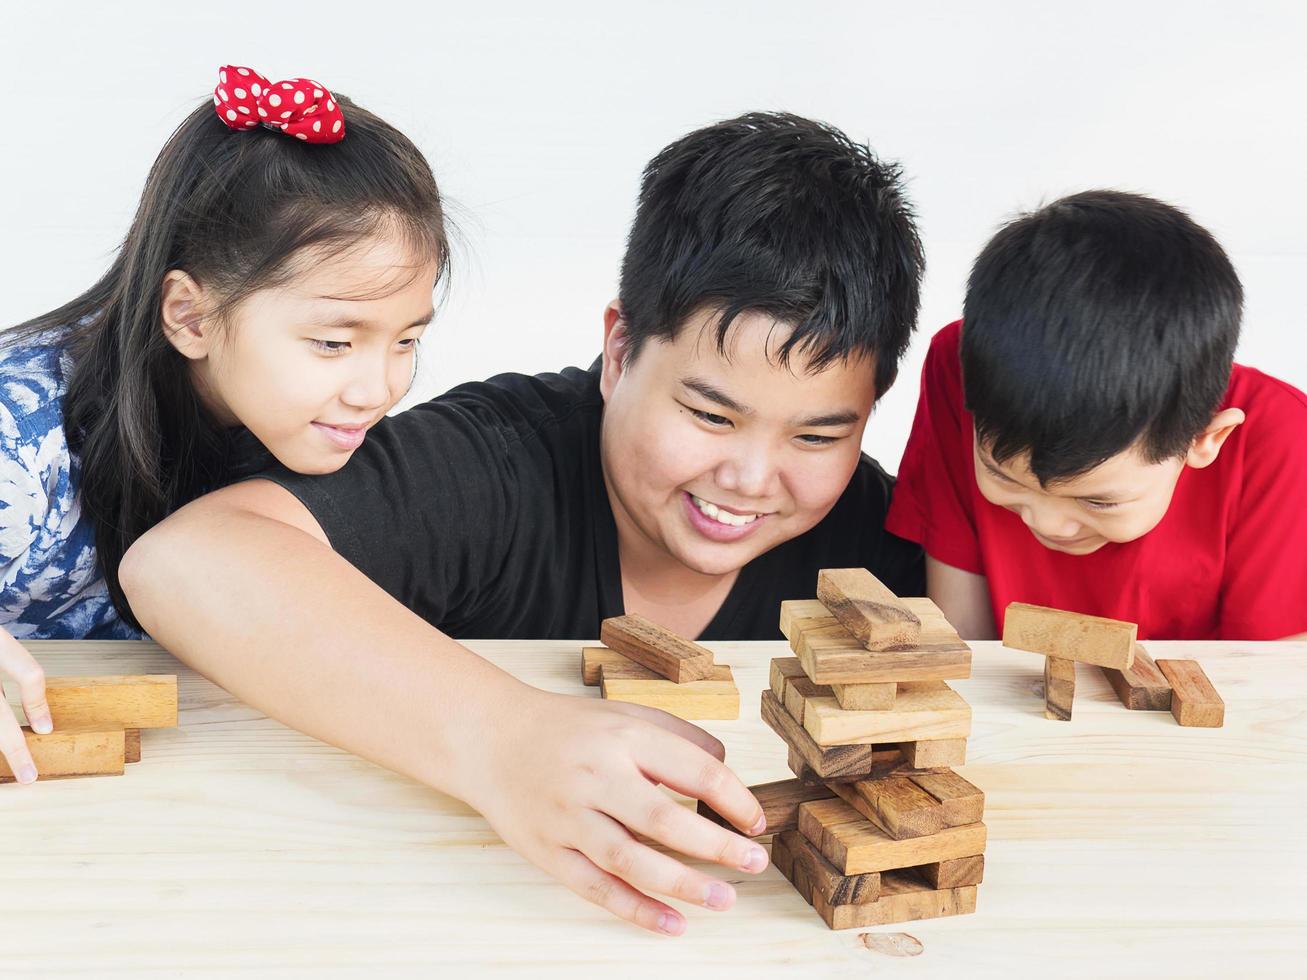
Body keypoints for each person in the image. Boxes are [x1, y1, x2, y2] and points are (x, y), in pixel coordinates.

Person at [120, 112, 927, 935]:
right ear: (618, 354)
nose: (752, 479)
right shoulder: (497, 463)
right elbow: (185, 562)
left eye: (819, 435)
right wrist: (503, 737)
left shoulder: (876, 538)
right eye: (709, 416)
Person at [0, 64, 449, 784]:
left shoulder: (306, 440)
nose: (379, 388)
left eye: (405, 341)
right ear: (191, 315)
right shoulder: (20, 442)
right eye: (334, 343)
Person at [886, 190, 1307, 640]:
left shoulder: (1282, 441)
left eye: (1098, 500)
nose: (1048, 524)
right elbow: (959, 642)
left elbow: (1269, 681)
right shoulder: (963, 367)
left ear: (1204, 440)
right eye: (1004, 476)